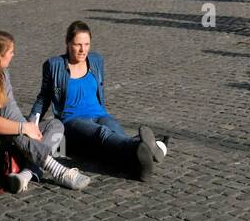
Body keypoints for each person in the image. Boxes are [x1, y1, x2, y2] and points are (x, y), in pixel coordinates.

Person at [0, 30, 90, 192]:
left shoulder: (2, 73)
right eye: (10, 52)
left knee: (55, 126)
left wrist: (29, 127)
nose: (13, 55)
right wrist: (23, 128)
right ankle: (57, 169)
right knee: (1, 113)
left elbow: (12, 109)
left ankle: (25, 175)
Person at [29, 22, 168, 182]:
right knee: (102, 133)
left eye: (86, 44)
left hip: (100, 113)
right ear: (68, 43)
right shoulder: (54, 65)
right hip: (72, 120)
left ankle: (140, 170)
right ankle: (141, 147)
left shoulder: (96, 61)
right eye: (78, 45)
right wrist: (31, 123)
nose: (83, 50)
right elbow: (43, 98)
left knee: (115, 133)